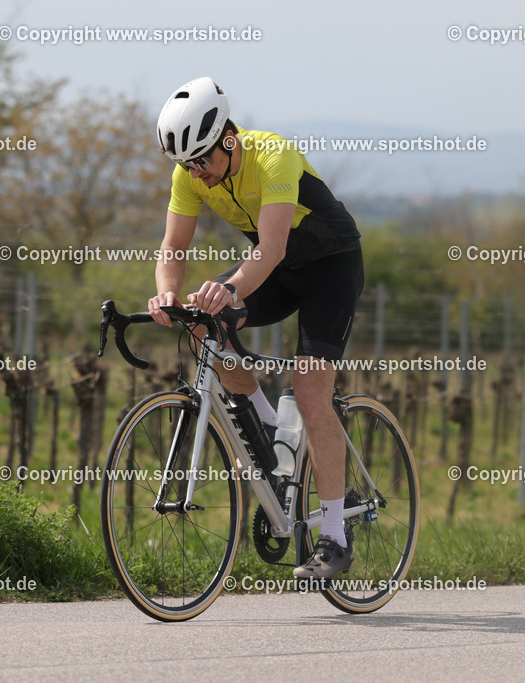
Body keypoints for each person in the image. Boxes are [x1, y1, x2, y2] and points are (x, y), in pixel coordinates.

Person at [148, 76, 363, 580]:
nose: (195, 174)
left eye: (202, 160)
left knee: (311, 392)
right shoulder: (191, 174)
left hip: (330, 267)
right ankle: (267, 422)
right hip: (280, 273)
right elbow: (173, 248)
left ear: (227, 138)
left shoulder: (273, 155)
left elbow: (271, 248)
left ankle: (334, 533)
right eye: (185, 164)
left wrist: (232, 289)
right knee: (201, 323)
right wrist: (166, 294)